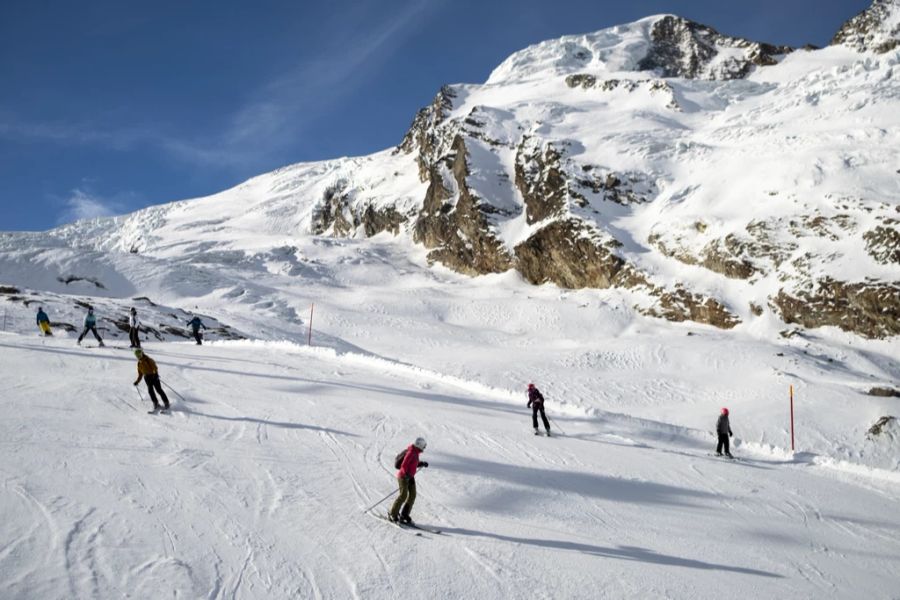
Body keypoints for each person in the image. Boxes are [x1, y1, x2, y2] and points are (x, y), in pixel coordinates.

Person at [388, 437, 429, 525]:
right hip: (403, 477)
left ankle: (404, 515)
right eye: (423, 446)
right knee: (403, 495)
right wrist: (405, 475)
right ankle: (393, 514)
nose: (424, 448)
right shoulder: (411, 452)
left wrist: (422, 463)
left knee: (413, 495)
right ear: (420, 445)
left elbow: (413, 464)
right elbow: (404, 465)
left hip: (410, 477)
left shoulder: (416, 453)